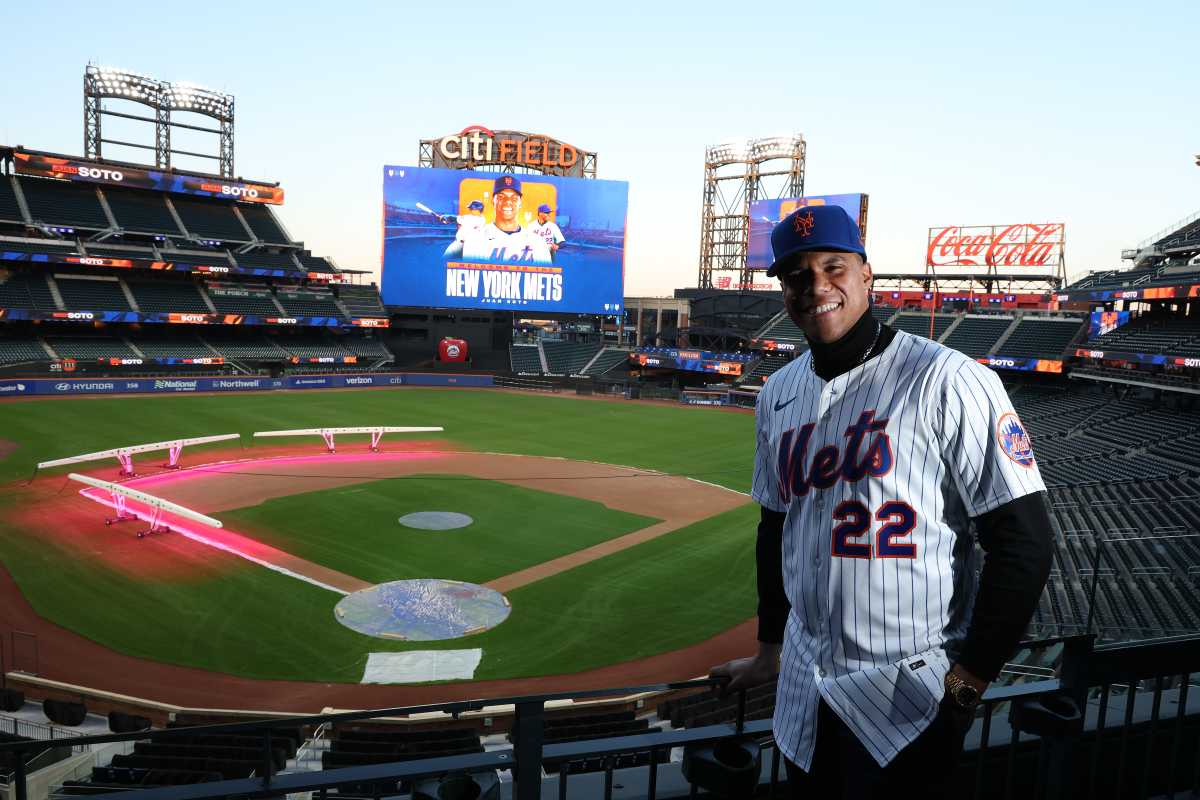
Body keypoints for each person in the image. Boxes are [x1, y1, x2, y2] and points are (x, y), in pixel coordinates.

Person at [709, 204, 1053, 799]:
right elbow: (775, 527)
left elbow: (1024, 542)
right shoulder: (778, 393)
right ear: (784, 292)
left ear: (867, 274)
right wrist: (768, 652)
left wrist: (968, 683)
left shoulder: (949, 379)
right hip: (801, 700)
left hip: (909, 702)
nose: (816, 286)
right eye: (796, 276)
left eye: (833, 267)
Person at [458, 174, 551, 265]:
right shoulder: (475, 240)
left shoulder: (538, 243)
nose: (508, 202)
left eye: (514, 198)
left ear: (520, 203)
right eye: (501, 197)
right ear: (493, 201)